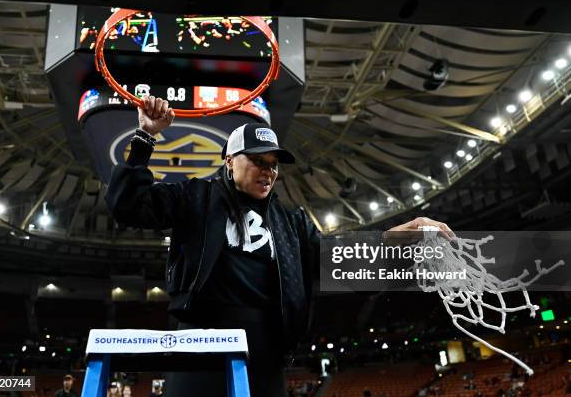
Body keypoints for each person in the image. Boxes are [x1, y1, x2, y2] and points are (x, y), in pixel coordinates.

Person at [105, 95, 454, 397]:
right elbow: (128, 204)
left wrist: (392, 240)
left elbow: (331, 261)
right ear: (229, 160)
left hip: (266, 348)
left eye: (273, 165)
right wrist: (145, 137)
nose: (268, 172)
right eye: (257, 160)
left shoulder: (292, 221)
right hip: (200, 341)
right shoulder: (196, 197)